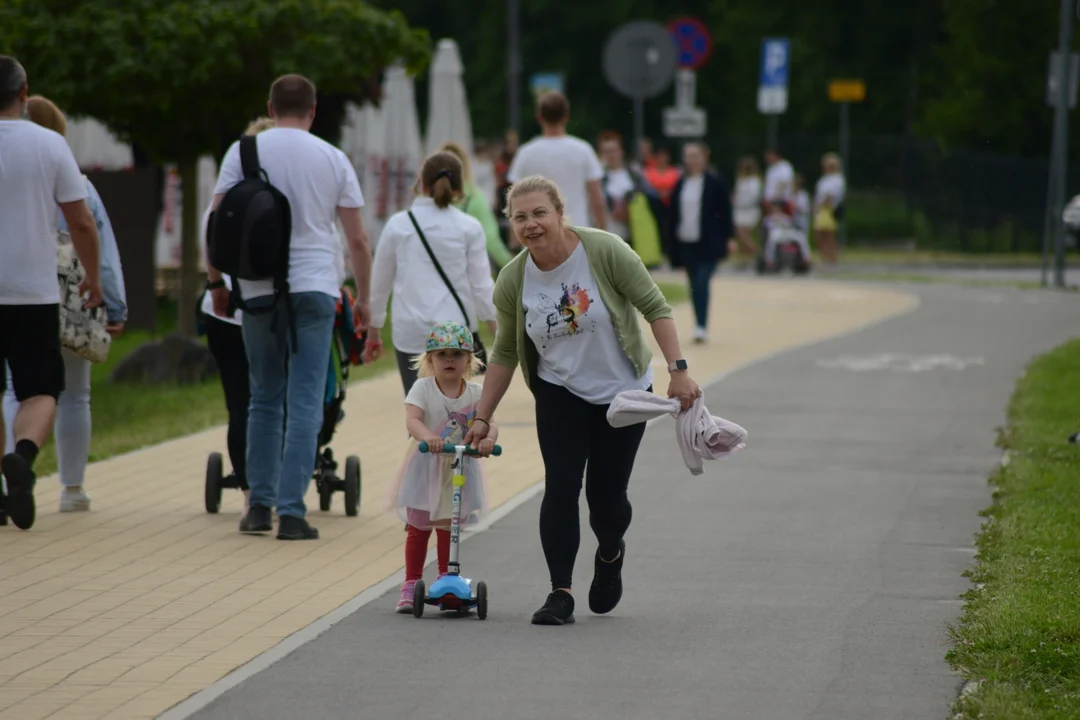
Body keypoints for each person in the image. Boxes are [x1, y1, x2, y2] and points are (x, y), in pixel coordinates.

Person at [463, 175, 702, 626]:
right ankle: (560, 592)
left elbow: (656, 307)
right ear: (510, 224)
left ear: (558, 213)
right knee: (561, 485)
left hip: (623, 392)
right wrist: (481, 417)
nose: (531, 224)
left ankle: (610, 553)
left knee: (606, 499)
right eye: (520, 217)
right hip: (559, 392)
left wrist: (679, 370)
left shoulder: (604, 250)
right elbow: (506, 352)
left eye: (539, 213)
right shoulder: (513, 280)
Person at [207, 74, 373, 541]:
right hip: (317, 287)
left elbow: (216, 221)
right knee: (305, 401)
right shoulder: (332, 156)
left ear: (270, 105)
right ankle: (293, 513)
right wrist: (366, 302)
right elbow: (357, 239)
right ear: (314, 109)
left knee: (262, 397)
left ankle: (257, 507)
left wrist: (215, 281)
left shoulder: (242, 152)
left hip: (257, 288)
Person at [2, 96, 127, 515]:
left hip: (13, 290)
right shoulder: (74, 179)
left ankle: (9, 475)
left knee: (12, 392)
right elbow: (98, 243)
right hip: (66, 301)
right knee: (73, 394)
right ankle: (72, 488)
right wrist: (112, 302)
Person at [365, 151, 497, 396]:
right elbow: (482, 286)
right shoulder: (469, 227)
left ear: (421, 183)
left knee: (418, 412)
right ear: (459, 186)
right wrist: (496, 330)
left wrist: (374, 332)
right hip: (456, 333)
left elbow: (380, 285)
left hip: (411, 332)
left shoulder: (398, 225)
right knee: (458, 412)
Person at [389, 320, 497, 613]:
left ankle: (446, 579)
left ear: (469, 360)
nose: (449, 359)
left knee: (450, 527)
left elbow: (489, 423)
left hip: (459, 467)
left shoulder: (475, 393)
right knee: (419, 526)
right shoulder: (423, 388)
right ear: (429, 360)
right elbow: (412, 419)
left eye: (456, 354)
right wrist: (428, 437)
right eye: (441, 354)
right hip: (426, 467)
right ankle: (411, 583)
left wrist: (487, 439)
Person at [197, 116, 275, 519]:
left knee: (240, 403)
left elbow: (208, 235)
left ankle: (248, 488)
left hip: (223, 311)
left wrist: (215, 287)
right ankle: (272, 486)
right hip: (270, 308)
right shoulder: (281, 191)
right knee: (274, 400)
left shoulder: (226, 195)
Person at [506, 92, 607, 231]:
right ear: (566, 116)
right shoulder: (583, 150)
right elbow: (597, 200)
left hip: (538, 233)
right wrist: (603, 232)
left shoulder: (525, 153)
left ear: (539, 117)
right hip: (577, 231)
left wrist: (514, 242)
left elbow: (514, 201)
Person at [668, 142, 734, 345]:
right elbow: (673, 212)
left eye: (696, 155)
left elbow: (726, 211)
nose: (692, 160)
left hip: (708, 242)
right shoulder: (680, 183)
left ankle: (702, 325)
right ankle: (698, 322)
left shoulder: (714, 183)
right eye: (689, 156)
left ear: (704, 157)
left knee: (701, 281)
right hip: (686, 241)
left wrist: (729, 237)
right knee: (692, 283)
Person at [438, 141, 513, 271]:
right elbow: (491, 239)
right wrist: (513, 266)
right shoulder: (474, 197)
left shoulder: (426, 199)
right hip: (462, 268)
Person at [813, 152, 846, 265]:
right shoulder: (825, 179)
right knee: (819, 236)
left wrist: (820, 205)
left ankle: (831, 258)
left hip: (829, 210)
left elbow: (830, 196)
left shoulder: (837, 179)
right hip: (822, 210)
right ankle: (825, 256)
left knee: (828, 236)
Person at [731, 155, 763, 265]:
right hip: (739, 210)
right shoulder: (741, 180)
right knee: (741, 235)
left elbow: (753, 197)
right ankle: (745, 258)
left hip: (750, 210)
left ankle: (758, 251)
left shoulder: (755, 181)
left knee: (743, 233)